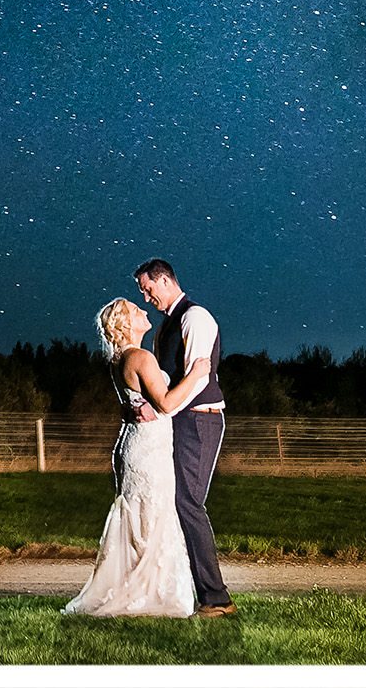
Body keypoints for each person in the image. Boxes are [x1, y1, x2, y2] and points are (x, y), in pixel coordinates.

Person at [61, 298, 195, 618]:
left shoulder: (119, 359)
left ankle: (138, 587)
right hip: (148, 449)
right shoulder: (140, 357)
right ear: (125, 323)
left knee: (138, 516)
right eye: (137, 311)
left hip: (133, 446)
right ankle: (149, 593)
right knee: (154, 515)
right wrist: (197, 375)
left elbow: (142, 401)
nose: (145, 312)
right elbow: (165, 404)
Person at [134, 258, 236, 616]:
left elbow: (198, 379)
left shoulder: (196, 317)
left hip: (199, 422)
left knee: (188, 504)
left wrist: (160, 409)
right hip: (178, 421)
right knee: (172, 502)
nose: (147, 298)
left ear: (164, 281)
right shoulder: (165, 327)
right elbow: (167, 378)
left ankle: (217, 598)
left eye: (148, 289)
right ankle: (181, 590)